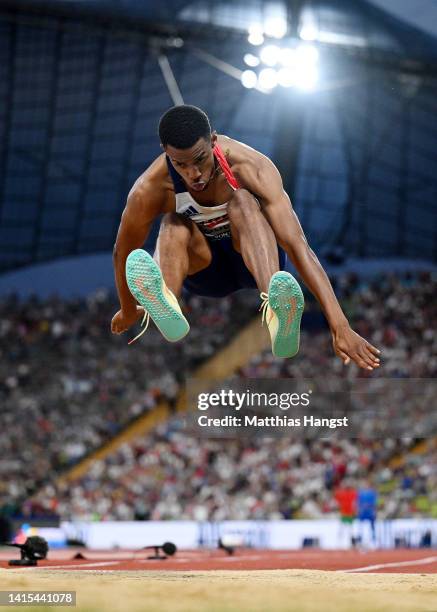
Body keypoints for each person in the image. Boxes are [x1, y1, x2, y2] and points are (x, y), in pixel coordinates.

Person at [111, 104, 380, 367]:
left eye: (200, 159)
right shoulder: (150, 188)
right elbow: (123, 251)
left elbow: (298, 247)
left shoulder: (252, 167)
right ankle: (167, 300)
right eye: (180, 164)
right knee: (173, 222)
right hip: (203, 271)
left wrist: (340, 325)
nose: (193, 174)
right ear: (165, 152)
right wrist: (127, 309)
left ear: (213, 140)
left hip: (253, 258)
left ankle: (277, 308)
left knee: (242, 201)